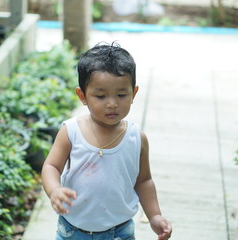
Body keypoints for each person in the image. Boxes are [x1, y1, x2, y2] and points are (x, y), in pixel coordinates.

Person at [41, 42, 172, 240]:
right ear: (82, 96)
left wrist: (154, 215)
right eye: (101, 96)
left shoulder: (137, 138)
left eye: (121, 95)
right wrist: (54, 190)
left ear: (133, 94)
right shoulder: (72, 131)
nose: (112, 103)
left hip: (119, 231)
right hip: (74, 230)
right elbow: (51, 166)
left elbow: (144, 180)